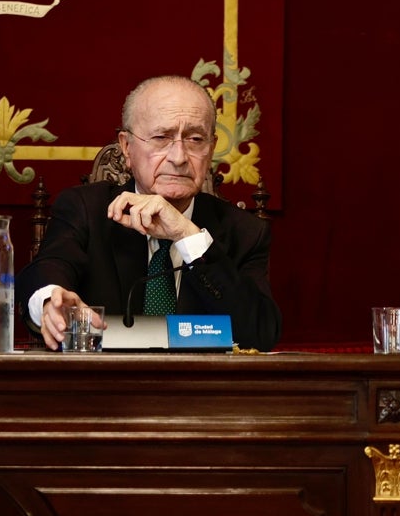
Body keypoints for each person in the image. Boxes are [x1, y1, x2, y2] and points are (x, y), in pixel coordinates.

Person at [18, 75, 281, 351]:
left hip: (202, 390)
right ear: (127, 147)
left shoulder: (245, 232)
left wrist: (186, 235)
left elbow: (260, 334)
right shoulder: (87, 210)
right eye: (161, 138)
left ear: (211, 148)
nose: (179, 157)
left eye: (195, 139)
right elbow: (47, 269)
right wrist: (50, 301)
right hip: (102, 387)